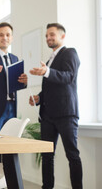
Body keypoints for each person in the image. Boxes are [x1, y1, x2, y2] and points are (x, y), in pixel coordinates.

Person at [29, 23, 82, 189]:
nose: (48, 38)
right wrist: (38, 98)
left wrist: (46, 72)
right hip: (48, 115)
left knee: (72, 155)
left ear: (62, 36)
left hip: (66, 114)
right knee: (47, 156)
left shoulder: (70, 53)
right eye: (46, 36)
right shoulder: (48, 61)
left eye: (52, 34)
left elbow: (69, 77)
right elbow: (51, 87)